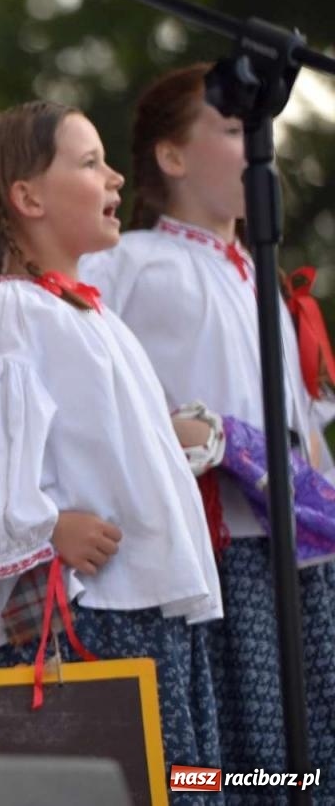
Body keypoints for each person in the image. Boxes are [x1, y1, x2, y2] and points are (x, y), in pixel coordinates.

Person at [0, 100, 223, 769]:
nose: (115, 178)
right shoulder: (10, 312)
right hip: (85, 617)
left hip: (138, 605)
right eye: (90, 163)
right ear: (28, 198)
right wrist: (45, 527)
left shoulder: (88, 314)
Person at [81, 64, 335, 786]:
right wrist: (179, 432)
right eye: (232, 129)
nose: (259, 147)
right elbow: (83, 386)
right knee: (235, 744)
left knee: (311, 743)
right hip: (209, 546)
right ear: (172, 155)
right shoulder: (129, 261)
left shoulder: (262, 275)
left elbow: (305, 428)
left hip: (297, 550)